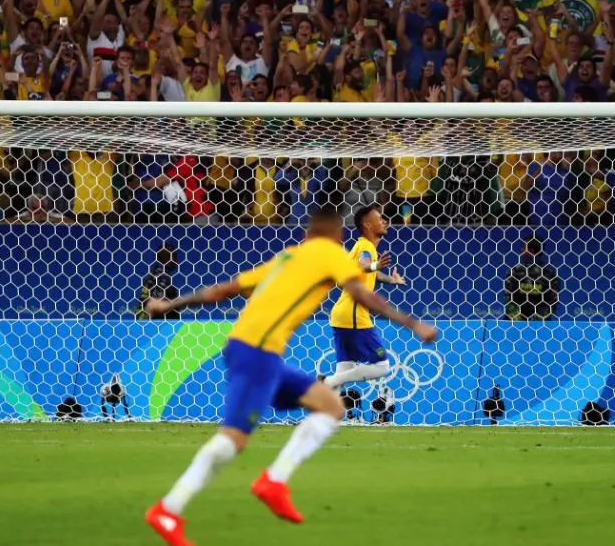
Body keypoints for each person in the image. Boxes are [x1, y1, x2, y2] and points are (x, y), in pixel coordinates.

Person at [143, 207, 437, 546]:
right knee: (232, 441)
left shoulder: (287, 257)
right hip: (256, 353)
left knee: (330, 406)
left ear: (307, 233)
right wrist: (413, 324)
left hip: (251, 351)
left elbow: (224, 290)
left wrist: (170, 305)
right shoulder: (331, 253)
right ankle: (168, 509)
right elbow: (362, 293)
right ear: (338, 235)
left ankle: (274, 481)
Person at [324, 205, 406, 390]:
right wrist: (375, 265)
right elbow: (364, 265)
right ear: (367, 225)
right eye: (379, 219)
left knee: (344, 370)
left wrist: (391, 280)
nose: (384, 221)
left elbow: (368, 272)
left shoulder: (360, 246)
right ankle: (326, 382)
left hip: (342, 315)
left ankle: (326, 406)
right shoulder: (365, 247)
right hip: (354, 315)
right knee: (382, 366)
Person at [504, 236, 561, 321]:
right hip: (515, 323)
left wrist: (537, 321)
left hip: (540, 324)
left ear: (531, 251)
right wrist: (518, 321)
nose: (521, 250)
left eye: (524, 247)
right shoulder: (514, 272)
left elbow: (552, 301)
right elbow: (508, 298)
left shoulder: (549, 274)